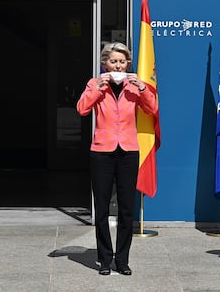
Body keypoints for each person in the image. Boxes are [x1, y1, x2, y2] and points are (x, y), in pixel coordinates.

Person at [76, 42, 158, 275]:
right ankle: (104, 259)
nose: (118, 65)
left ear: (128, 64)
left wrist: (142, 87)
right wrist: (97, 88)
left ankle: (122, 260)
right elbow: (82, 109)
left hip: (128, 151)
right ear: (105, 64)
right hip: (102, 151)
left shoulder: (134, 87)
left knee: (126, 208)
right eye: (114, 61)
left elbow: (153, 109)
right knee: (101, 208)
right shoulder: (95, 84)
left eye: (122, 61)